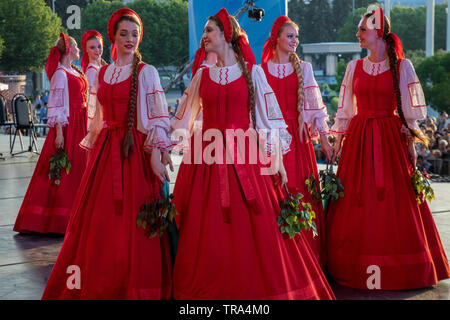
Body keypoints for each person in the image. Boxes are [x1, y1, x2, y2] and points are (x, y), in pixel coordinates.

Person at [170, 8, 335, 300]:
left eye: (209, 31)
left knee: (257, 227)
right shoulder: (203, 75)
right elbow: (185, 118)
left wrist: (278, 161)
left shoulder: (253, 73)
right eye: (205, 31)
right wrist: (162, 151)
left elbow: (268, 120)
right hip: (206, 158)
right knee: (207, 226)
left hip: (246, 155)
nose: (205, 36)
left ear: (226, 35)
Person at [42, 8, 174, 300]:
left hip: (135, 152)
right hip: (105, 152)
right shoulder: (102, 72)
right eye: (124, 33)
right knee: (101, 223)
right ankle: (103, 280)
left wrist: (157, 153)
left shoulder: (146, 71)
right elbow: (97, 116)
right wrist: (93, 151)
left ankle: (136, 284)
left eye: (135, 34)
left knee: (135, 222)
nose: (130, 39)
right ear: (113, 35)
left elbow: (157, 117)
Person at [327, 6, 450, 289]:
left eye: (362, 30)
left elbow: (410, 113)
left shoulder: (402, 66)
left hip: (390, 139)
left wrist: (410, 142)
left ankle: (397, 267)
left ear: (378, 32)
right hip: (359, 138)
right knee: (356, 200)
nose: (357, 34)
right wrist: (337, 141)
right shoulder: (353, 67)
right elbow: (345, 109)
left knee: (394, 203)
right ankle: (353, 265)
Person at [260, 15, 333, 267]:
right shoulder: (261, 70)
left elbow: (315, 108)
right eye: (290, 36)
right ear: (276, 38)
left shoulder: (305, 68)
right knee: (273, 196)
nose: (295, 41)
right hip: (272, 142)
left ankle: (306, 259)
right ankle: (278, 261)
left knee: (300, 192)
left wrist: (325, 141)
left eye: (296, 37)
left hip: (299, 141)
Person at [13, 33, 88, 234]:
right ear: (69, 49)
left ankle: (77, 215)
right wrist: (59, 133)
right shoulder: (61, 74)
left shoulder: (73, 71)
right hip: (69, 126)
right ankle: (57, 219)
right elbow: (56, 105)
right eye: (76, 46)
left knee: (77, 169)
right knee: (63, 171)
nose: (79, 49)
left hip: (80, 123)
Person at [81, 30, 107, 130]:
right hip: (98, 119)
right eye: (92, 47)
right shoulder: (92, 71)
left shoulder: (101, 68)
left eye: (99, 46)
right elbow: (91, 100)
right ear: (86, 50)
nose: (97, 50)